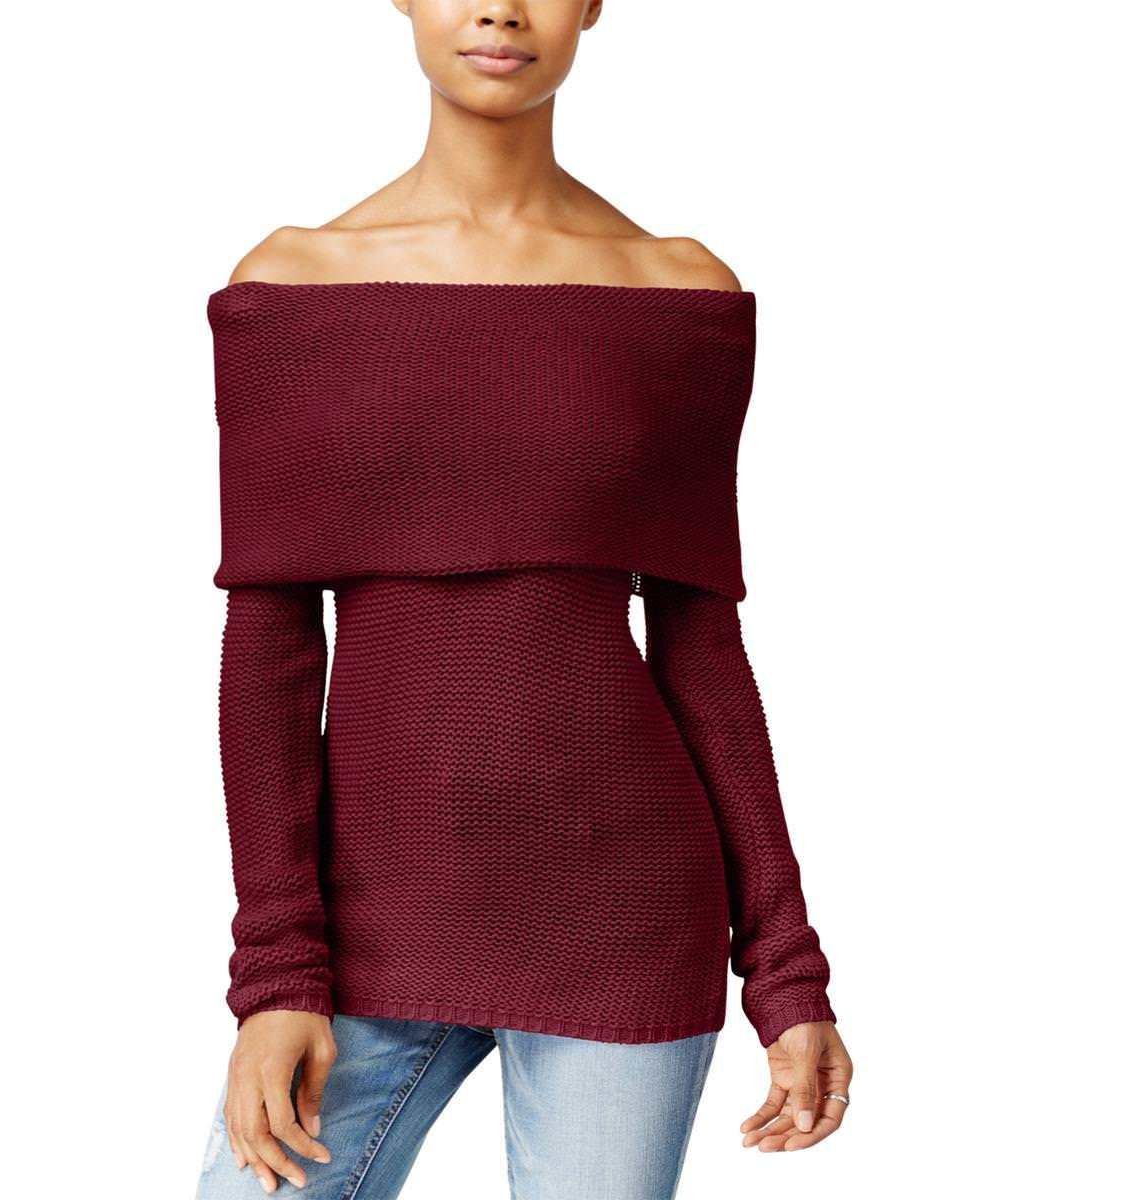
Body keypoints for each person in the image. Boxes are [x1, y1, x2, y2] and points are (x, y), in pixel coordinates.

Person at [195, 3, 853, 1197]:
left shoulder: (676, 294)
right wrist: (277, 974)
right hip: (360, 932)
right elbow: (270, 653)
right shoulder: (293, 289)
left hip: (625, 919)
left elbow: (703, 650)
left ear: (594, 4)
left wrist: (787, 969)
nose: (501, 7)